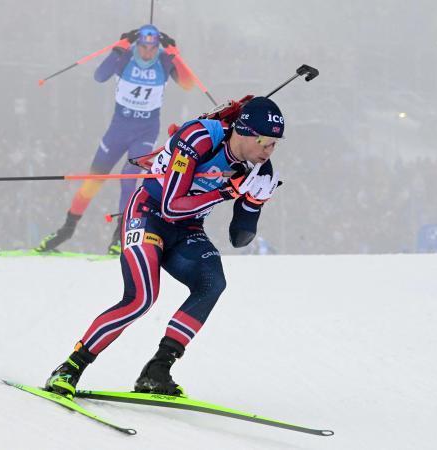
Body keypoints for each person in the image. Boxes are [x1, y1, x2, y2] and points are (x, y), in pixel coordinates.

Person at [44, 96, 284, 397]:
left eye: (275, 144)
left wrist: (254, 204)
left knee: (213, 283)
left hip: (188, 227)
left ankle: (157, 370)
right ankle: (70, 367)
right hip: (149, 214)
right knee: (141, 298)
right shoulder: (198, 136)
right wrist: (225, 192)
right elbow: (171, 206)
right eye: (265, 143)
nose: (270, 151)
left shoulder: (261, 168)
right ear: (246, 132)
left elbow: (240, 238)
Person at [36, 24, 194, 255]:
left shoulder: (164, 60)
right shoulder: (126, 57)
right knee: (94, 179)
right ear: (137, 44)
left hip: (145, 131)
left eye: (152, 47)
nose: (148, 52)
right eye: (143, 47)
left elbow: (188, 84)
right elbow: (99, 76)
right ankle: (66, 230)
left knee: (129, 178)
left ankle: (120, 237)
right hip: (118, 129)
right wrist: (118, 49)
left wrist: (175, 55)